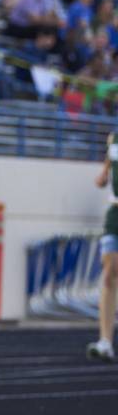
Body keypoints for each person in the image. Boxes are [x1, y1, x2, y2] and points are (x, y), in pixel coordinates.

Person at [89, 133, 118, 361]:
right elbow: (107, 168)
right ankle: (105, 341)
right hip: (115, 212)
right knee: (109, 273)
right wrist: (103, 175)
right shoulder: (113, 138)